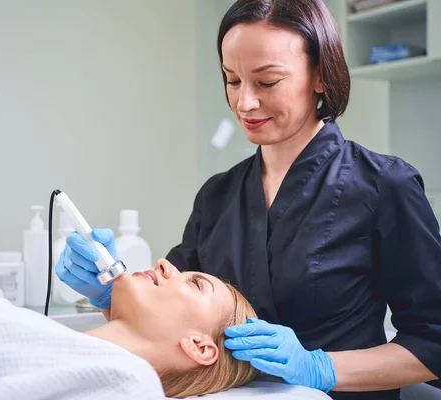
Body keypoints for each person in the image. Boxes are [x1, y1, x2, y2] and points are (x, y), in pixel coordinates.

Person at [55, 1, 441, 399]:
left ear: (320, 76)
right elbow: (170, 333)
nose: (245, 103)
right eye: (232, 80)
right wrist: (110, 293)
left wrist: (320, 367)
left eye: (267, 82)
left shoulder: (384, 186)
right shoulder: (217, 196)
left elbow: (435, 342)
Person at [0, 259, 258, 399]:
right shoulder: (48, 337)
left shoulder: (128, 385)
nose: (167, 264)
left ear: (200, 346)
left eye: (194, 282)